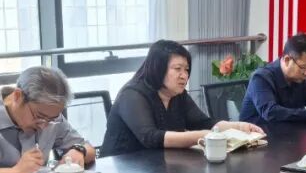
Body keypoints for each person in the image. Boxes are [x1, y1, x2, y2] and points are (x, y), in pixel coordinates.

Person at [101, 40, 263, 156]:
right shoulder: (132, 94)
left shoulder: (177, 94)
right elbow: (150, 137)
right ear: (158, 68)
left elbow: (204, 123)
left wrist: (238, 127)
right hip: (121, 169)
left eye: (186, 69)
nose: (184, 75)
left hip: (157, 167)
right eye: (177, 69)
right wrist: (201, 136)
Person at [239, 33, 306, 126]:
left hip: (286, 133)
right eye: (304, 67)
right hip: (256, 134)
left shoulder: (299, 78)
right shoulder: (261, 77)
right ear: (287, 60)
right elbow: (270, 113)